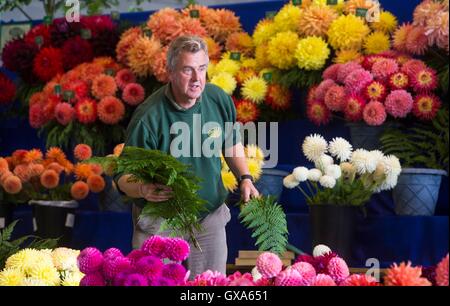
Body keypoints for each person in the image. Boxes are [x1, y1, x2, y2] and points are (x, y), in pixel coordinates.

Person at [115, 35, 259, 277]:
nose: (197, 79)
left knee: (210, 286)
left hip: (208, 217)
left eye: (202, 69)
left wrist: (245, 177)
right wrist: (143, 189)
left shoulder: (218, 100)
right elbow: (121, 176)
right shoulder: (149, 117)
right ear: (170, 72)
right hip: (161, 220)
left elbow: (231, 143)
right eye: (187, 70)